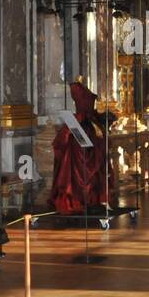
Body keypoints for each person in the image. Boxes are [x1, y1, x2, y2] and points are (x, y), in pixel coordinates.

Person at [49, 80, 113, 214]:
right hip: (81, 130)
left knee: (94, 164)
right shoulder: (75, 89)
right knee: (76, 167)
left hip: (89, 125)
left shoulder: (91, 117)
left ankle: (92, 200)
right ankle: (82, 200)